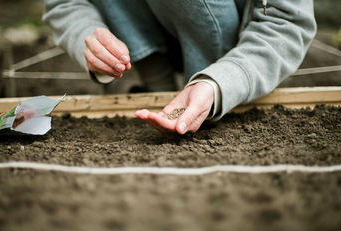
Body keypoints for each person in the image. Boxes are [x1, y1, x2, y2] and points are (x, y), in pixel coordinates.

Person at [43, 0, 316, 134]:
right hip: (144, 33)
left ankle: (200, 95)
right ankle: (153, 80)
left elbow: (285, 23)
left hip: (233, 44)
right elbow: (64, 3)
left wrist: (220, 81)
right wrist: (88, 37)